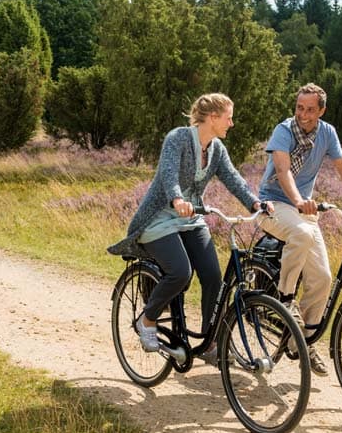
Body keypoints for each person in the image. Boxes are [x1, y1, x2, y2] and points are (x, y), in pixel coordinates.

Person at [108, 93, 268, 362]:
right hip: (159, 218)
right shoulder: (178, 138)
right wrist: (177, 198)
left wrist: (255, 204)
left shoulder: (217, 149)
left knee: (213, 276)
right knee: (180, 271)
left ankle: (209, 342)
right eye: (229, 118)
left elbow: (233, 179)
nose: (232, 123)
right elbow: (168, 174)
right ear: (213, 117)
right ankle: (147, 320)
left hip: (191, 218)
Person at [258, 83, 342, 376]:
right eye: (300, 107)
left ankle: (303, 341)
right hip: (273, 204)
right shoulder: (283, 131)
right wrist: (299, 201)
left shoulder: (327, 133)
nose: (303, 114)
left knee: (323, 279)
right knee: (300, 232)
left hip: (303, 211)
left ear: (321, 111)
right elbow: (283, 170)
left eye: (310, 109)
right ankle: (285, 300)